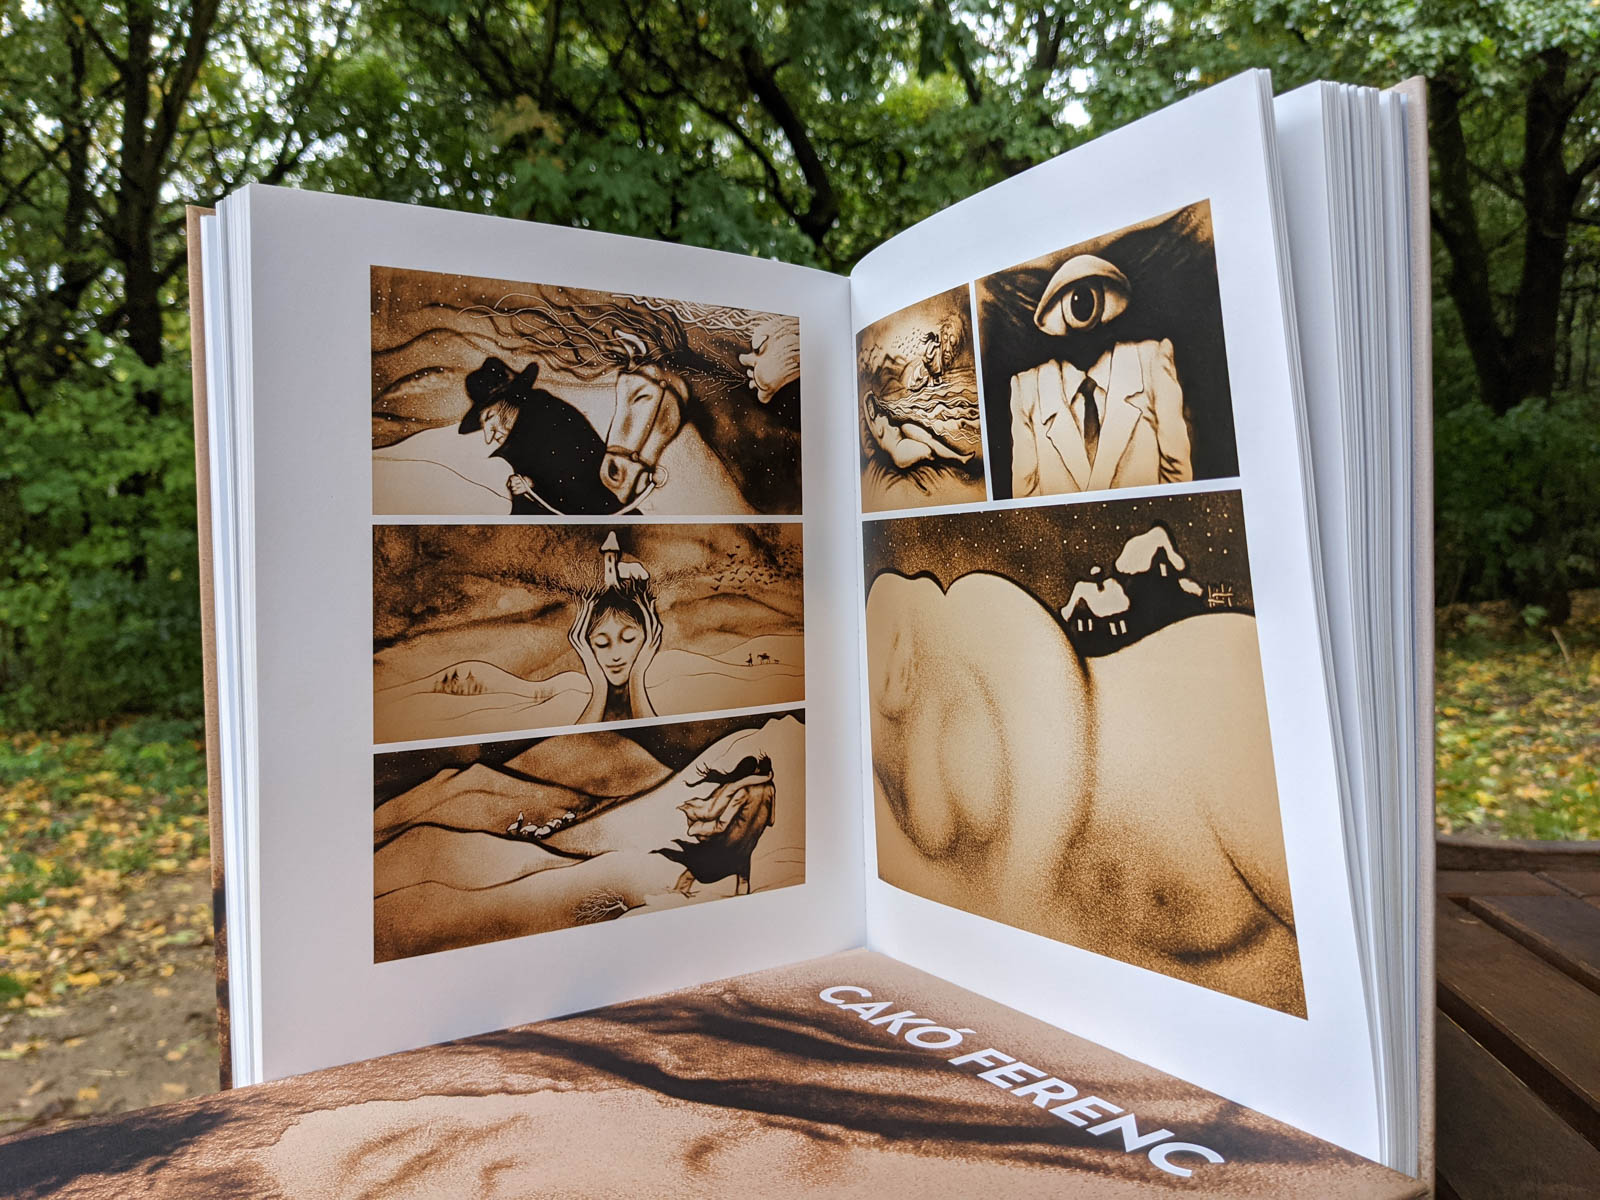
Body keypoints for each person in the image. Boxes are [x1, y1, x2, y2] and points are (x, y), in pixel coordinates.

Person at [1008, 254, 1192, 497]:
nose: (1082, 309)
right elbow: (1025, 496)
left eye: (1088, 299)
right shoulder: (1028, 389)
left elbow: (1178, 475)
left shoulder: (1150, 362)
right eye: (1074, 302)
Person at [458, 356, 624, 515]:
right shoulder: (521, 440)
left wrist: (532, 485)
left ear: (510, 404)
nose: (489, 438)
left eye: (490, 417)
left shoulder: (552, 416)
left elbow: (575, 481)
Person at [568, 583, 662, 723]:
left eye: (628, 638)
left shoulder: (664, 689)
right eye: (602, 643)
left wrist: (636, 675)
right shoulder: (571, 695)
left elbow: (653, 735)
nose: (616, 655)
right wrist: (599, 687)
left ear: (649, 639)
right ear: (586, 647)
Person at [863, 391, 975, 471]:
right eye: (869, 408)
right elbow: (867, 411)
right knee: (928, 451)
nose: (871, 409)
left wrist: (872, 397)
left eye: (871, 405)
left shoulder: (880, 414)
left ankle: (960, 458)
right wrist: (866, 397)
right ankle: (931, 457)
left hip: (903, 437)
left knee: (928, 439)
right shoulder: (873, 426)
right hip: (898, 450)